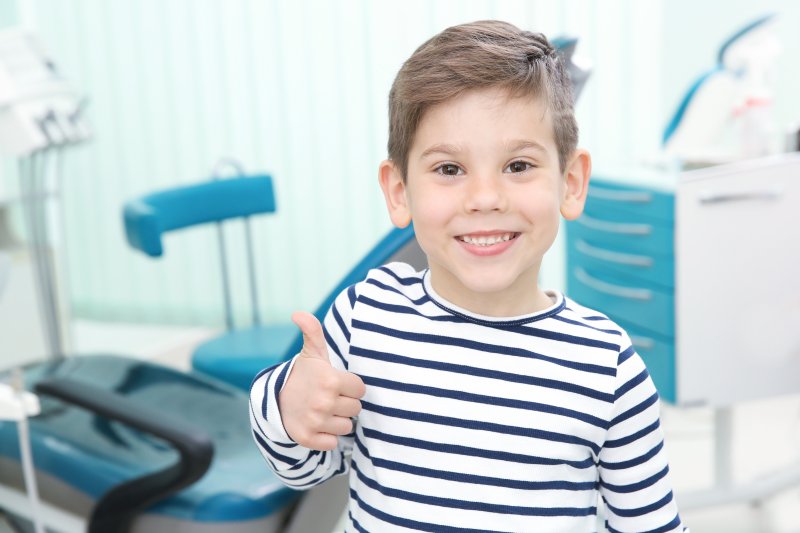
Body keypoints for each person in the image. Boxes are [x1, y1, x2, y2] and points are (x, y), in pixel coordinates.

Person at [250, 20, 688, 532]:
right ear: (399, 192)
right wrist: (287, 404)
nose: (485, 198)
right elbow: (301, 470)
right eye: (450, 170)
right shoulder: (368, 314)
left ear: (570, 183)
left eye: (519, 165)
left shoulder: (607, 365)